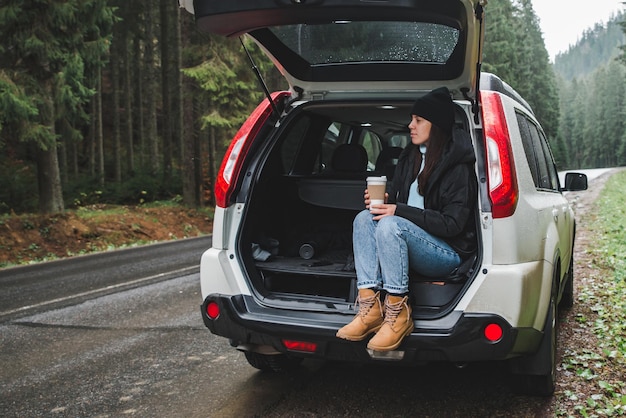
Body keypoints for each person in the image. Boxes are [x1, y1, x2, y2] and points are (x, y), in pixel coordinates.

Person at [336, 87, 478, 351]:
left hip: (447, 253)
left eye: (418, 120)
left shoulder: (458, 167)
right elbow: (400, 206)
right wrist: (386, 201)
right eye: (412, 119)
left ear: (436, 125)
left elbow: (453, 224)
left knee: (390, 223)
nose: (410, 125)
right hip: (408, 239)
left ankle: (399, 314)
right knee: (363, 218)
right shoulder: (409, 158)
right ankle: (370, 309)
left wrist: (397, 210)